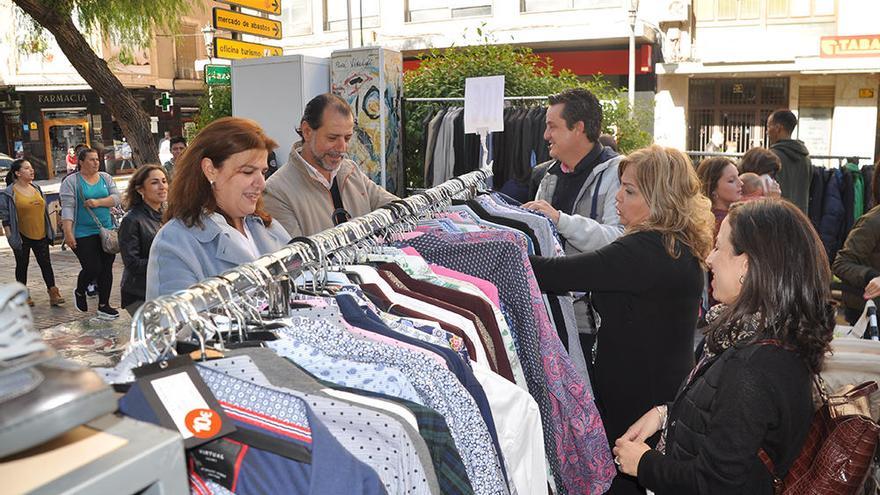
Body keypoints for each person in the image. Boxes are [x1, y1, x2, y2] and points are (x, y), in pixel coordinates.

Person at [613, 199, 833, 494]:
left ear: (747, 264)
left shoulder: (754, 366)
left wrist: (644, 464)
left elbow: (715, 484)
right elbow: (730, 420)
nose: (709, 259)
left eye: (719, 247)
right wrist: (666, 413)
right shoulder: (763, 337)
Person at [529, 145, 715, 495]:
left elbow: (556, 275)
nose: (617, 197)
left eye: (629, 191)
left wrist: (494, 247)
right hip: (655, 390)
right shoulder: (672, 244)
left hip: (640, 400)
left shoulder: (645, 250)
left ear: (660, 199)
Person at [522, 87, 625, 357]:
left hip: (599, 324)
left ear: (578, 128)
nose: (546, 135)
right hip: (555, 317)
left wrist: (560, 220)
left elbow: (620, 240)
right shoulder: (548, 175)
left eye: (552, 127)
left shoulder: (618, 173)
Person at [146, 117, 291, 299]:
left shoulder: (268, 226)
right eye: (247, 172)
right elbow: (172, 325)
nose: (262, 184)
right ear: (210, 169)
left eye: (262, 172)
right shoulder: (174, 242)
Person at [263, 93, 397, 237]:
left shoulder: (350, 170)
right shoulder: (276, 192)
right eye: (332, 138)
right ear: (307, 131)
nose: (342, 147)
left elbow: (399, 209)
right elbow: (296, 256)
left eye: (347, 138)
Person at [60, 147, 121, 319]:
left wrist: (98, 202)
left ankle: (104, 305)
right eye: (91, 159)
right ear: (81, 162)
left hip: (106, 230)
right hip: (82, 232)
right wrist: (68, 233)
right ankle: (80, 291)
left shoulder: (105, 178)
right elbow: (68, 209)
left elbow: (117, 198)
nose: (96, 162)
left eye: (97, 159)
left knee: (106, 268)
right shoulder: (72, 181)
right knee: (93, 267)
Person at [0, 159, 64, 306]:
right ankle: (22, 295)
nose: (31, 170)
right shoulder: (9, 193)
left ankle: (53, 293)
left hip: (40, 233)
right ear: (17, 173)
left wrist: (49, 231)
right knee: (22, 265)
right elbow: (5, 217)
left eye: (31, 168)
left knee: (46, 264)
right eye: (27, 168)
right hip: (21, 236)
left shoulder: (36, 188)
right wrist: (10, 237)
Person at [119, 165, 168, 315]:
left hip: (163, 290)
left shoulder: (167, 215)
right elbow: (132, 263)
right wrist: (166, 262)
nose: (162, 187)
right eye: (154, 183)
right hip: (139, 293)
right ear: (140, 190)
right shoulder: (132, 220)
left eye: (164, 181)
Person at [767, 109, 812, 213]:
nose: (767, 131)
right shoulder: (805, 157)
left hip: (777, 215)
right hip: (800, 217)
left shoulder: (771, 157)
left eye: (769, 126)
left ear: (778, 128)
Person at [696, 156, 743, 237]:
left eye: (738, 176)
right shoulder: (722, 223)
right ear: (713, 189)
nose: (741, 183)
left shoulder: (703, 218)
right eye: (731, 181)